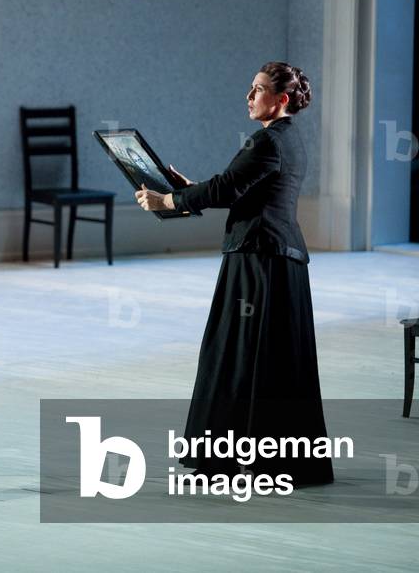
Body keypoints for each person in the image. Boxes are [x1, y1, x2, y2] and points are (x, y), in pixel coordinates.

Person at [135, 61, 333, 486]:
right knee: (274, 362)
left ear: (280, 100)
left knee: (234, 357)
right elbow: (239, 188)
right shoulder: (289, 139)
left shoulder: (266, 141)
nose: (249, 96)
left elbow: (226, 189)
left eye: (258, 90)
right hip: (280, 258)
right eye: (250, 87)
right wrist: (186, 190)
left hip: (258, 258)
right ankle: (277, 461)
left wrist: (168, 202)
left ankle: (224, 460)